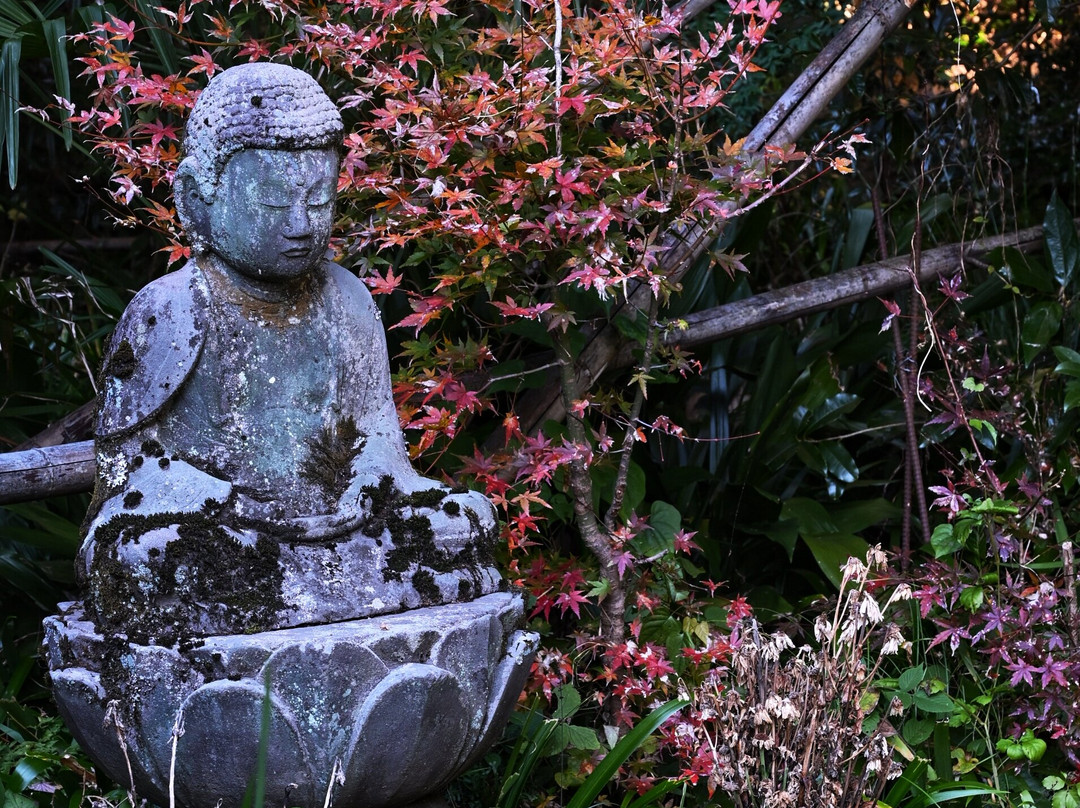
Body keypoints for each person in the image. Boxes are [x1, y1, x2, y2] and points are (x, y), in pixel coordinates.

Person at [80, 64, 498, 643]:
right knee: (146, 560)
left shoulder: (348, 299)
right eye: (275, 206)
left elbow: (377, 443)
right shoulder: (169, 309)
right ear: (198, 201)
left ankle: (322, 585)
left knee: (462, 521)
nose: (302, 226)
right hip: (226, 533)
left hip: (344, 528)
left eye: (320, 201)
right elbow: (132, 476)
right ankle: (311, 588)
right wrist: (230, 506)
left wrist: (366, 488)